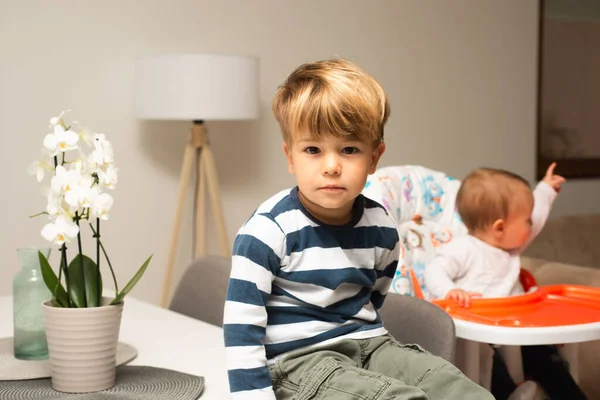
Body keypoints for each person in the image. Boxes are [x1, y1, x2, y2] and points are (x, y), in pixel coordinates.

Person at [222, 58, 494, 400]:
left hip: (370, 345)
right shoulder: (268, 230)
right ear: (290, 156)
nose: (332, 166)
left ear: (374, 158)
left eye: (349, 149)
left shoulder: (380, 226)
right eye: (313, 150)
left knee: (454, 385)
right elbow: (241, 327)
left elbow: (374, 293)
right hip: (297, 362)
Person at [424, 165, 587, 400]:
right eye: (526, 221)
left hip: (517, 330)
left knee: (549, 360)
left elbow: (537, 216)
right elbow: (434, 270)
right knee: (488, 367)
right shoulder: (464, 249)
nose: (532, 226)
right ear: (500, 227)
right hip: (482, 337)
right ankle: (513, 393)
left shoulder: (509, 249)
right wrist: (451, 291)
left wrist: (545, 190)